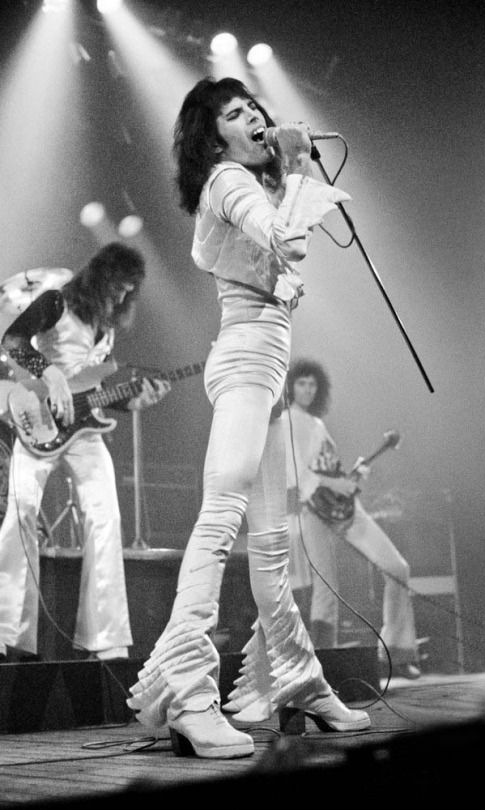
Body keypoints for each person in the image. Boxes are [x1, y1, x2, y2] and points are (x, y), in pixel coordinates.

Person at [126, 76, 371, 760]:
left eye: (255, 106)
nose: (256, 116)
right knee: (222, 511)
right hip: (244, 364)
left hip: (259, 364)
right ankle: (188, 694)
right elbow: (288, 238)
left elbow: (276, 251)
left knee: (269, 540)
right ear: (214, 140)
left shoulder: (250, 186)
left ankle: (295, 680)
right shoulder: (230, 180)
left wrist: (286, 180)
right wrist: (292, 166)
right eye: (236, 113)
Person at [0, 242, 170, 663]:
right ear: (100, 277)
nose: (121, 295)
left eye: (128, 290)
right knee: (21, 511)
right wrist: (50, 372)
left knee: (106, 517)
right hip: (37, 417)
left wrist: (134, 400)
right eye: (117, 285)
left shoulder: (105, 331)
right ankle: (6, 630)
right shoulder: (56, 302)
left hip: (83, 431)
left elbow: (96, 391)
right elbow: (13, 339)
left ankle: (106, 639)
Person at [283, 357, 421, 679]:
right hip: (311, 512)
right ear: (291, 386)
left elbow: (325, 471)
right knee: (326, 588)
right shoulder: (288, 421)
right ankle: (323, 669)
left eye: (313, 384)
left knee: (397, 568)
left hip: (342, 508)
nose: (308, 389)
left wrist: (351, 476)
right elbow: (296, 474)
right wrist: (336, 483)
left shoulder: (316, 424)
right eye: (302, 383)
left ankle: (397, 652)